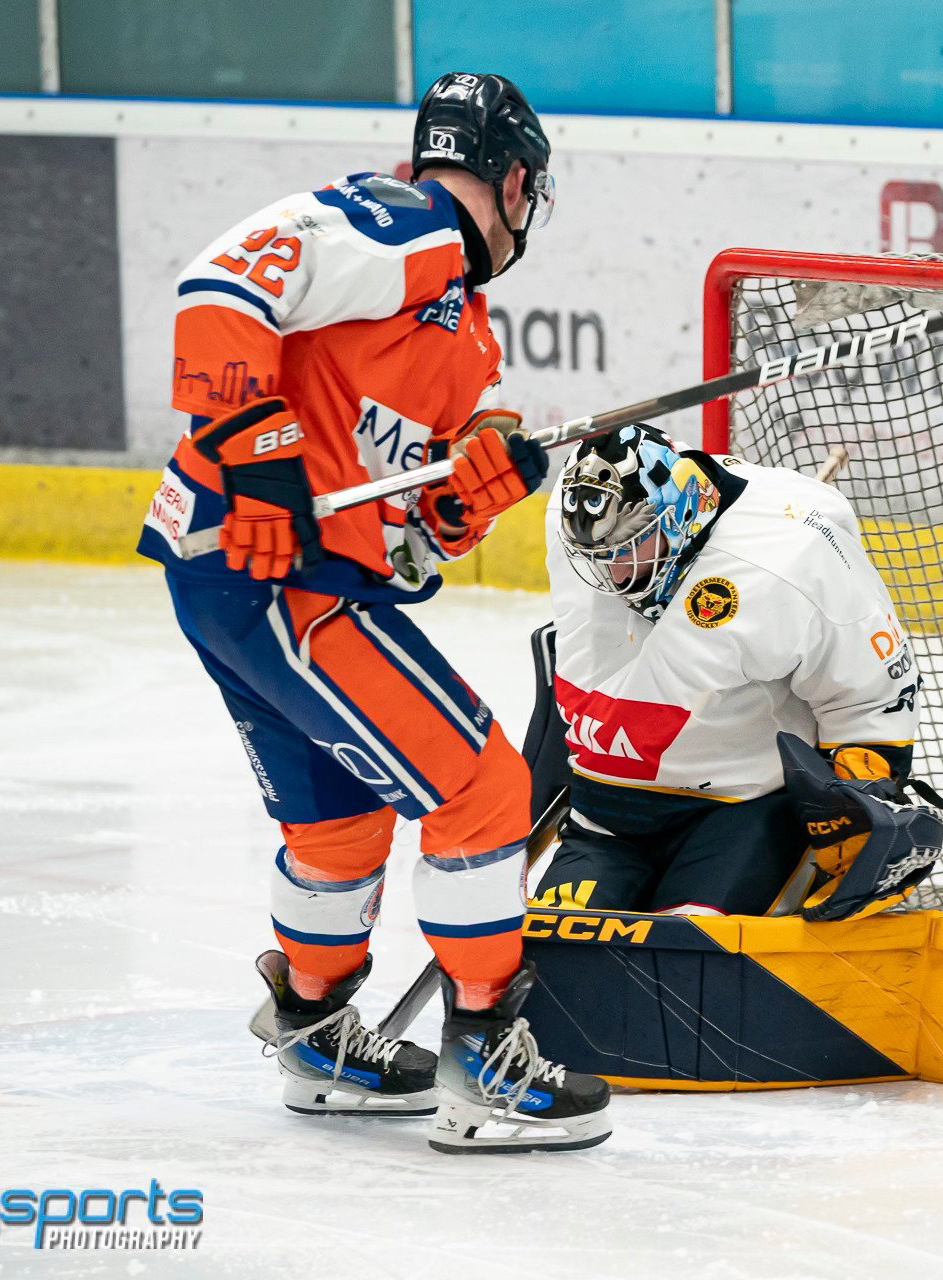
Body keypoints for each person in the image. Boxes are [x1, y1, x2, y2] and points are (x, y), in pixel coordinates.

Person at [136, 71, 609, 1154]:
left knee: (342, 818)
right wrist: (258, 453)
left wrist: (465, 490)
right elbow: (219, 284)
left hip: (251, 577)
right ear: (518, 179)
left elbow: (407, 537)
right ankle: (487, 1056)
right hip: (268, 570)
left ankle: (314, 1033)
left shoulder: (466, 338)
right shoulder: (413, 228)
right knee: (485, 788)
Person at [529, 423, 940, 922]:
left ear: (677, 516)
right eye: (597, 556)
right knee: (558, 959)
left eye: (626, 549)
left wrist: (862, 795)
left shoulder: (789, 562)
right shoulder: (578, 527)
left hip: (740, 814)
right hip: (605, 820)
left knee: (686, 962)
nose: (611, 575)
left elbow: (872, 699)